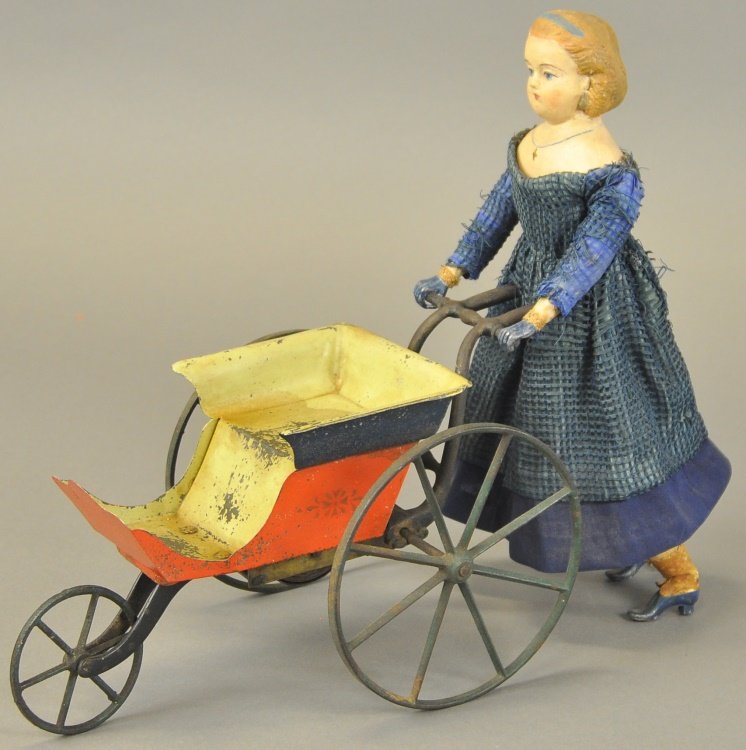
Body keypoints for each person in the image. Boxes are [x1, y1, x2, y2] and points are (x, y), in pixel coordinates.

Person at [413, 10, 730, 621]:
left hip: (593, 315)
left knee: (609, 440)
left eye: (550, 73)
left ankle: (678, 569)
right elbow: (498, 210)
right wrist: (452, 271)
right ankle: (613, 542)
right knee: (511, 416)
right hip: (527, 293)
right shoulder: (530, 143)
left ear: (592, 82)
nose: (534, 83)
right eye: (530, 69)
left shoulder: (608, 168)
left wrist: (545, 309)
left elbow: (592, 251)